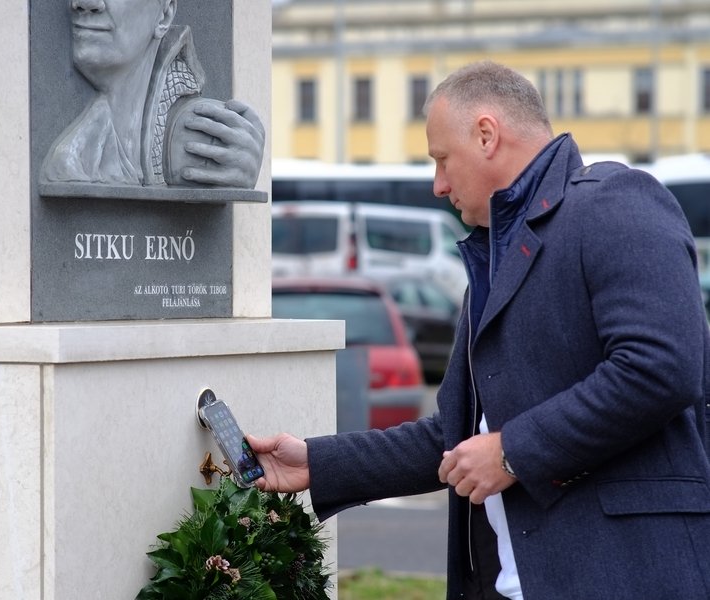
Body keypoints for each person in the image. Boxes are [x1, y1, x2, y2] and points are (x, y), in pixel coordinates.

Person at [248, 60, 710, 599]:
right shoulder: (498, 255)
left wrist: (513, 452)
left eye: (442, 159)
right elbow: (459, 439)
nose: (438, 185)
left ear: (487, 135)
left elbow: (660, 368)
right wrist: (317, 463)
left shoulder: (616, 201)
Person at [40, 0, 265, 191]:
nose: (84, 3)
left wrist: (238, 166)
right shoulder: (73, 154)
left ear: (164, 15)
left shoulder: (204, 137)